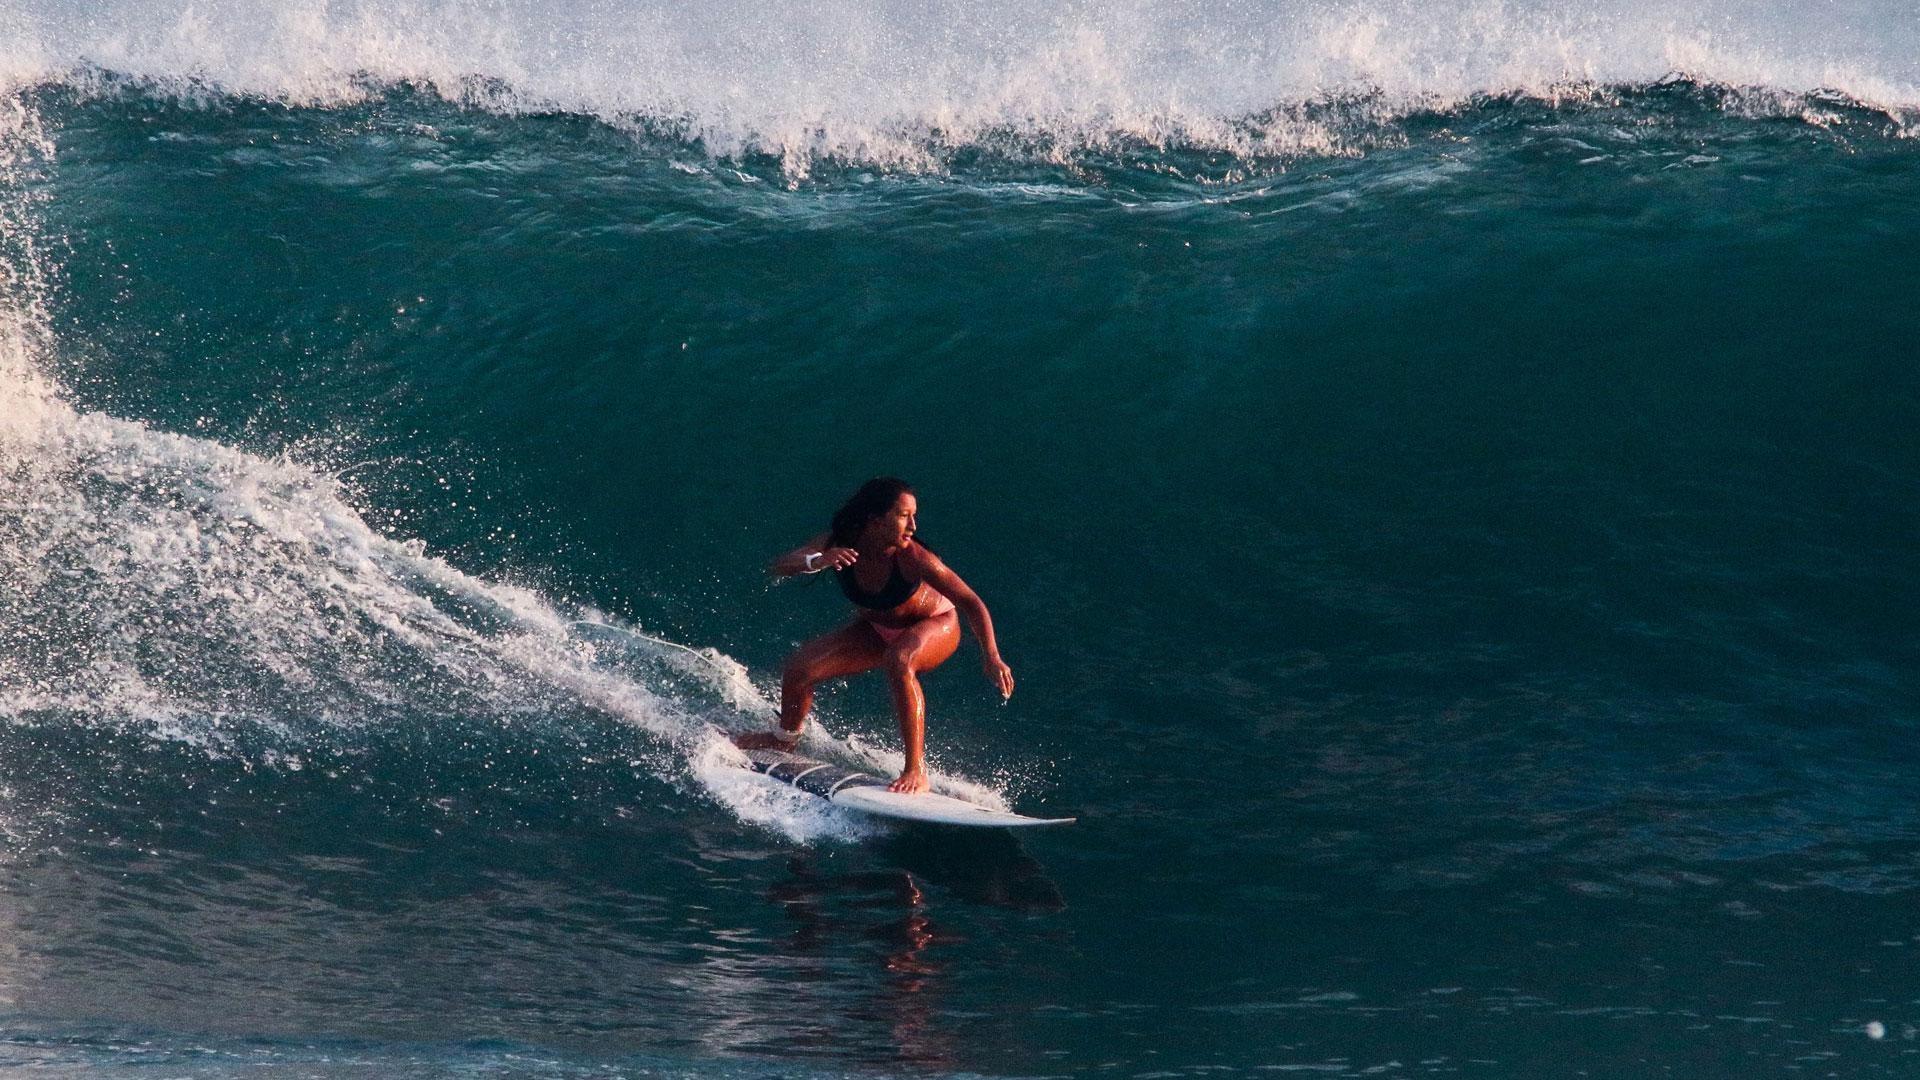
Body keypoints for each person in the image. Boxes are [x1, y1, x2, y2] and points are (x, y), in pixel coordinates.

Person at [735, 477, 1014, 794]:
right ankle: (783, 739)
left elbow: (971, 602)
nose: (912, 525)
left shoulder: (913, 558)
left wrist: (991, 656)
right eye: (903, 515)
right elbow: (781, 565)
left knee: (900, 660)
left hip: (936, 625)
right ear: (875, 519)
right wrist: (818, 560)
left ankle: (916, 770)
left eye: (914, 516)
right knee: (800, 669)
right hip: (877, 630)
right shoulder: (838, 542)